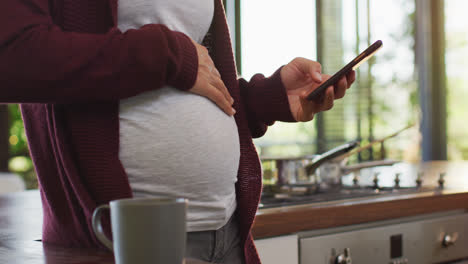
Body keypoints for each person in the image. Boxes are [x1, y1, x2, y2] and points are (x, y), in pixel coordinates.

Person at [0, 0, 355, 263]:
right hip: (124, 242)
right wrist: (169, 53)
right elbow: (12, 57)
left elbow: (191, 81)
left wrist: (270, 99)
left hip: (227, 232)